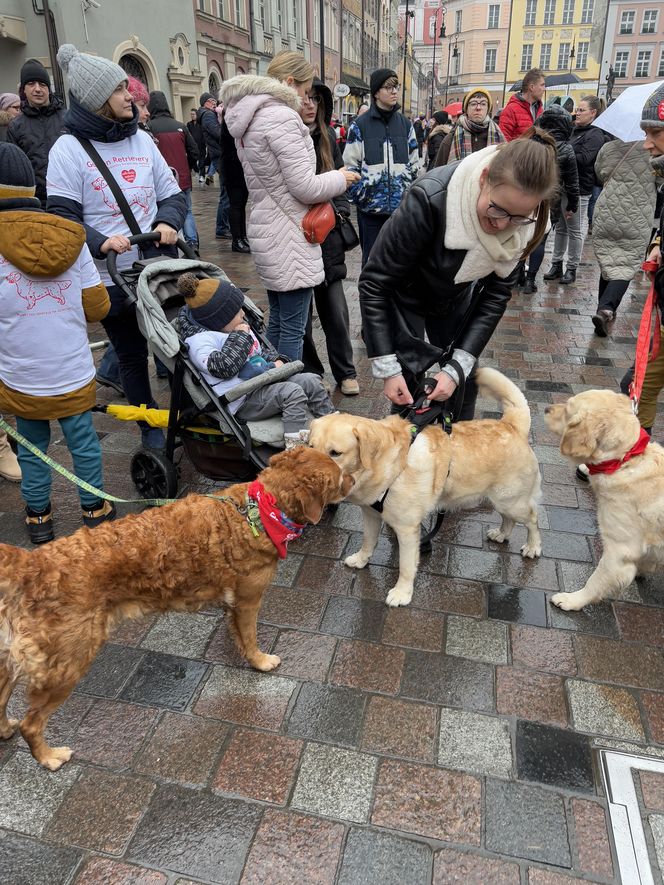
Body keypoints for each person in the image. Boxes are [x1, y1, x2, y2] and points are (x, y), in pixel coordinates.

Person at [46, 44, 187, 451]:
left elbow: (172, 194)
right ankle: (150, 430)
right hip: (109, 274)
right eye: (120, 89)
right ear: (96, 100)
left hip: (156, 266)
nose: (131, 96)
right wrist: (99, 240)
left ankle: (185, 413)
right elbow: (63, 216)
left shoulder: (142, 141)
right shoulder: (68, 151)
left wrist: (167, 222)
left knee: (177, 346)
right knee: (131, 353)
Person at [359, 131, 558, 416]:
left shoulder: (533, 223)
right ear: (483, 178)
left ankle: (458, 450)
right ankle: (405, 451)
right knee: (408, 380)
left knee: (465, 380)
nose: (503, 225)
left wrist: (455, 368)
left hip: (454, 293)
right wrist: (387, 368)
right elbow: (374, 283)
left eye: (517, 218)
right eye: (498, 210)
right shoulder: (430, 198)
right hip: (404, 293)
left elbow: (496, 294)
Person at [0, 143, 114, 542]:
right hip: (72, 370)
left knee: (31, 448)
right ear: (33, 186)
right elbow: (98, 307)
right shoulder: (74, 238)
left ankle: (38, 517)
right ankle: (94, 508)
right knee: (83, 444)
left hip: (20, 376)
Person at [221, 51, 356, 362]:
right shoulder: (280, 116)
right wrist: (341, 177)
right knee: (293, 328)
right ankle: (288, 397)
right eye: (306, 91)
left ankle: (269, 383)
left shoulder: (250, 115)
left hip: (268, 228)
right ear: (291, 83)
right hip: (290, 235)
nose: (306, 99)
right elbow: (305, 187)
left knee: (280, 321)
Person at [177, 273, 335, 447]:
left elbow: (257, 353)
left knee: (311, 380)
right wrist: (240, 336)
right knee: (292, 392)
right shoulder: (201, 341)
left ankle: (334, 429)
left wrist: (277, 360)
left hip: (262, 383)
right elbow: (223, 366)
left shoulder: (236, 328)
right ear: (220, 319)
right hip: (241, 399)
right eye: (237, 312)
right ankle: (296, 451)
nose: (243, 313)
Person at [299, 78, 360, 396]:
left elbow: (340, 178)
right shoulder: (286, 138)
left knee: (335, 310)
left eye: (315, 99)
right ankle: (311, 371)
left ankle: (345, 371)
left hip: (327, 237)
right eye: (304, 97)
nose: (309, 103)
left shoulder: (327, 137)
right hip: (297, 237)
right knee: (301, 316)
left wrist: (341, 214)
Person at [343, 68, 418, 265]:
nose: (394, 91)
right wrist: (363, 198)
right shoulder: (360, 125)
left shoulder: (405, 125)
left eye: (396, 87)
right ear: (376, 92)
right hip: (371, 213)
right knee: (372, 262)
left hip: (400, 211)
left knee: (400, 262)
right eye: (388, 87)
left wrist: (408, 194)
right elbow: (350, 167)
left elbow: (414, 164)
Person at [590, 139, 657, 336]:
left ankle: (602, 310)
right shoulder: (654, 151)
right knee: (625, 264)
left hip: (607, 210)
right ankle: (606, 309)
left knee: (608, 260)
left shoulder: (609, 147)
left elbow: (600, 172)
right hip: (638, 214)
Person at [544, 95, 607, 285]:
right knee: (561, 228)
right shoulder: (573, 131)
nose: (576, 113)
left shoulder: (595, 134)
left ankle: (571, 267)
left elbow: (585, 159)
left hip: (580, 188)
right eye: (577, 110)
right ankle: (556, 264)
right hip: (562, 185)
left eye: (581, 110)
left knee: (575, 229)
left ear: (593, 113)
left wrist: (565, 154)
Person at [522, 104, 579, 294]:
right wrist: (572, 204)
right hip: (550, 201)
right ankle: (530, 281)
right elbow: (572, 182)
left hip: (526, 196)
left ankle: (519, 275)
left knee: (522, 238)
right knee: (540, 240)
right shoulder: (566, 148)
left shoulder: (531, 142)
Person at [7, 59, 65, 207]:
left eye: (42, 84)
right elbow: (14, 169)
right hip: (36, 204)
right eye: (31, 84)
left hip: (68, 199)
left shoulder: (67, 119)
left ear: (48, 89)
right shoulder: (15, 126)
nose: (38, 89)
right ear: (24, 90)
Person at [147, 90, 200, 252]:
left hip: (161, 181)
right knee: (187, 210)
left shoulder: (148, 129)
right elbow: (194, 151)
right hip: (182, 177)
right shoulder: (180, 126)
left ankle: (177, 243)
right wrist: (188, 167)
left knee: (165, 212)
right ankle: (192, 243)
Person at [435, 90, 505, 166]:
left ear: (488, 109)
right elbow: (439, 173)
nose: (478, 108)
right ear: (466, 109)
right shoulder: (450, 139)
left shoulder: (499, 137)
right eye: (473, 104)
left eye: (483, 104)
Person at [197, 92, 231, 239]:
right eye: (211, 101)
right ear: (205, 103)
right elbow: (218, 133)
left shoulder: (207, 115)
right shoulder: (208, 115)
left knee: (227, 193)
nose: (214, 103)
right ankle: (222, 228)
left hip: (218, 155)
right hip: (220, 156)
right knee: (227, 194)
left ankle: (223, 227)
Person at [220, 110, 251, 254]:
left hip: (240, 167)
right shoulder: (230, 118)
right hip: (233, 168)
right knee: (236, 204)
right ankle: (236, 240)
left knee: (241, 204)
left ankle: (242, 237)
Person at [499, 68, 545, 141]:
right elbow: (503, 141)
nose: (544, 89)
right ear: (532, 87)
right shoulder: (511, 110)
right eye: (542, 85)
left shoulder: (541, 110)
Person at [187, 108, 207, 182]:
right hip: (193, 146)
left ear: (197, 115)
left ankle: (202, 175)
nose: (192, 116)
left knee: (201, 161)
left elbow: (204, 134)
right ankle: (197, 171)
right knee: (193, 161)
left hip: (201, 145)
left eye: (193, 114)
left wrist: (204, 143)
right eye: (191, 114)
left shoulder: (201, 123)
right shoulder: (189, 124)